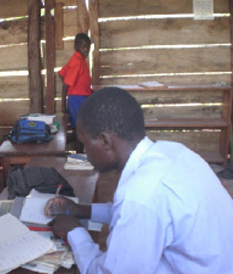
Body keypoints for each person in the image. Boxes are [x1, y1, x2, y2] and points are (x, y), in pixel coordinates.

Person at [45, 87, 233, 273]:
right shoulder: (173, 152)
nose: (85, 152)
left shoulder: (142, 194)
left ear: (104, 141)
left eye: (85, 144)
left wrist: (74, 232)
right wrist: (81, 210)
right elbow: (129, 212)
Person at [58, 33, 92, 152]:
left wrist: (76, 85)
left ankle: (74, 151)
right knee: (80, 129)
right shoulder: (77, 61)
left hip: (80, 97)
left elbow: (61, 73)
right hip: (77, 99)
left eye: (88, 47)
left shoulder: (78, 59)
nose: (86, 50)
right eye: (83, 47)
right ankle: (78, 156)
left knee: (79, 129)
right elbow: (66, 83)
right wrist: (63, 105)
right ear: (76, 47)